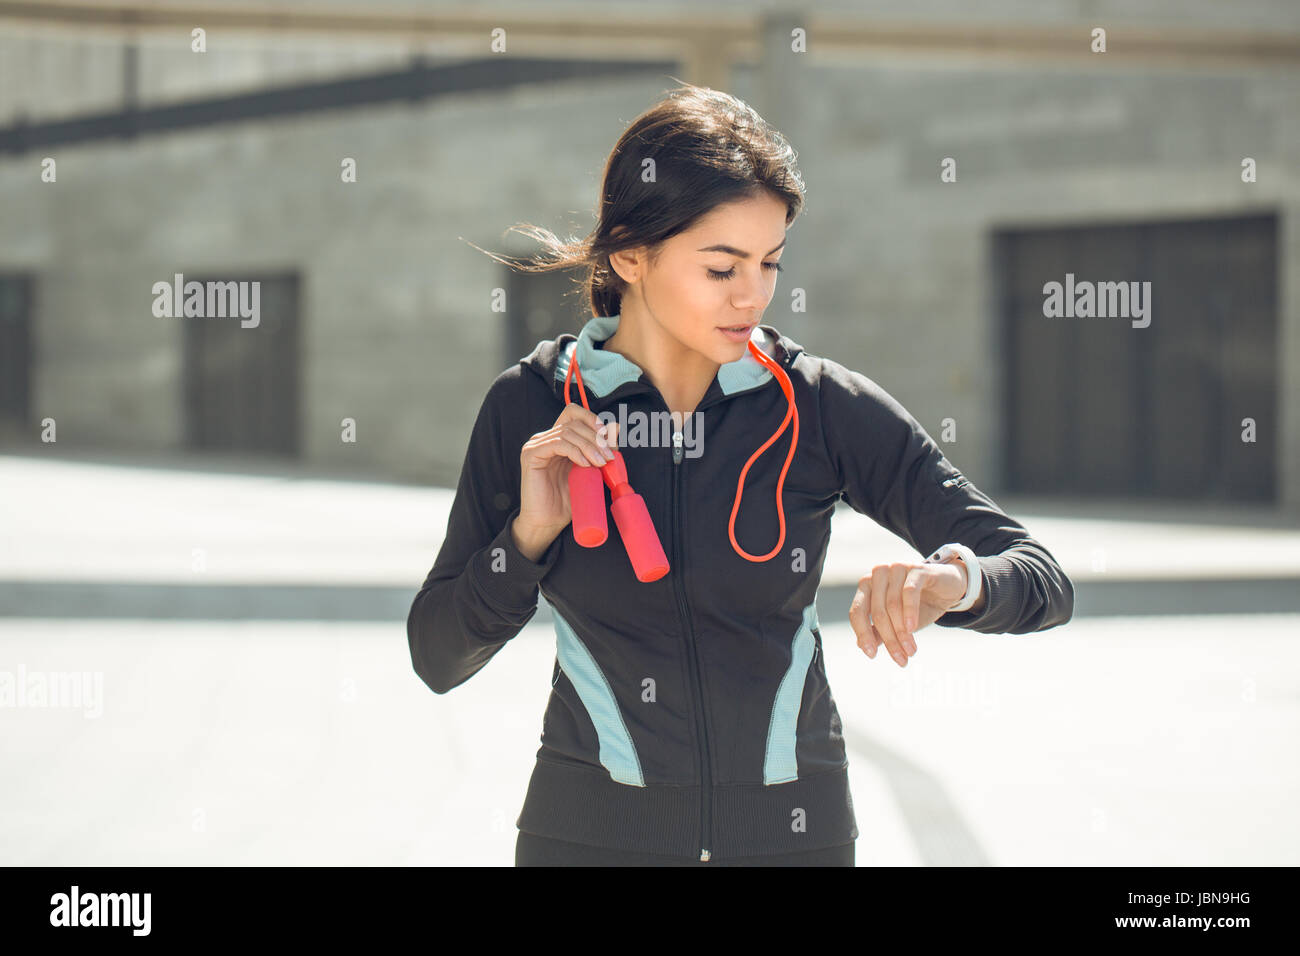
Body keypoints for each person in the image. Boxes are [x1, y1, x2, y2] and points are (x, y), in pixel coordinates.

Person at [406, 83, 1074, 867]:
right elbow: (438, 655)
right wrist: (524, 538)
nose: (752, 294)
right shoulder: (533, 406)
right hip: (588, 839)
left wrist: (955, 582)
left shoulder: (818, 406)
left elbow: (1042, 579)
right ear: (630, 255)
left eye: (768, 264)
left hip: (794, 838)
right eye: (722, 267)